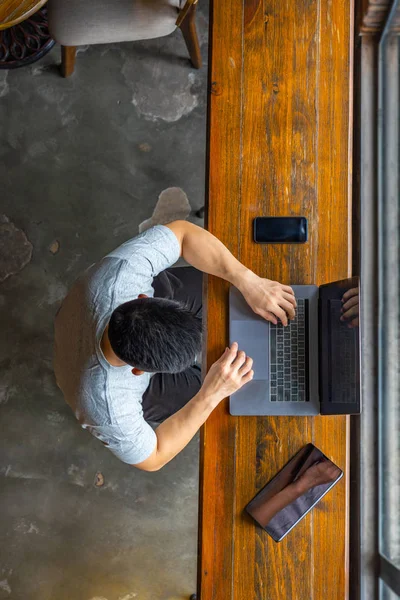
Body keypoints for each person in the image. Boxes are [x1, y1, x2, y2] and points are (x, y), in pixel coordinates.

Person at [54, 221, 296, 471]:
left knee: (222, 287)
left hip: (79, 316)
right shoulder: (108, 407)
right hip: (77, 360)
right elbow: (154, 457)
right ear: (139, 372)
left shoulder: (125, 273)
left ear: (144, 298)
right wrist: (210, 394)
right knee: (217, 394)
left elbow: (183, 234)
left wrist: (248, 281)